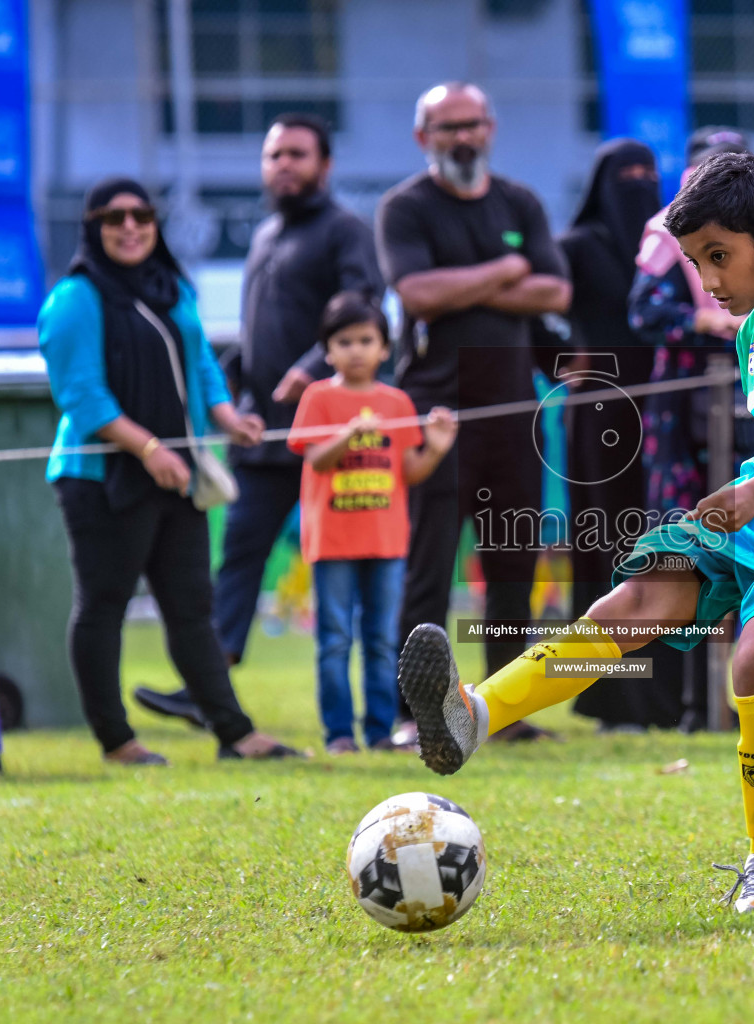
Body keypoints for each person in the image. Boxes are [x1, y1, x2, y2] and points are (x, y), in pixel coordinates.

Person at [397, 152, 754, 914]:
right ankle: (473, 716)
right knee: (632, 604)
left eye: (717, 258)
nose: (707, 281)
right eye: (696, 262)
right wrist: (750, 496)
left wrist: (750, 493)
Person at [38, 177, 303, 764]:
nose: (129, 227)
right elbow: (81, 395)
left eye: (141, 216)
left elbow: (202, 361)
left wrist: (229, 417)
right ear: (94, 228)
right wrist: (148, 448)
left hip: (175, 474)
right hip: (100, 477)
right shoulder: (74, 299)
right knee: (104, 603)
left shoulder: (172, 287)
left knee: (192, 608)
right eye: (114, 218)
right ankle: (117, 740)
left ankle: (235, 733)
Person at [135, 112, 383, 727]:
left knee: (370, 571)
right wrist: (233, 383)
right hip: (266, 436)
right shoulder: (269, 233)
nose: (284, 166)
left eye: (298, 154)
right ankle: (208, 687)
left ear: (325, 165)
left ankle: (394, 704)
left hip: (336, 433)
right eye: (274, 156)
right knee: (240, 556)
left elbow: (364, 307)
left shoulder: (344, 230)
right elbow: (260, 334)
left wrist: (309, 367)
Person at [376, 82, 571, 743]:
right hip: (437, 414)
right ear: (422, 137)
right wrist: (506, 269)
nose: (462, 137)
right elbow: (419, 293)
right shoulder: (404, 209)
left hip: (514, 410)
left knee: (513, 565)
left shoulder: (521, 201)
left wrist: (470, 282)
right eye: (446, 126)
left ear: (491, 127)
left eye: (471, 124)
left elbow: (556, 287)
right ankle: (415, 714)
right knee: (428, 569)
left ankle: (503, 709)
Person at [627, 125, 754, 727]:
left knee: (752, 545)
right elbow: (645, 310)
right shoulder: (665, 230)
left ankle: (746, 697)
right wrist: (710, 324)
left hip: (753, 392)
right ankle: (693, 702)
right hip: (683, 403)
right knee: (682, 550)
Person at [288, 293, 457, 754]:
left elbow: (410, 471)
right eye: (345, 341)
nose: (356, 350)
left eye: (367, 340)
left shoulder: (397, 401)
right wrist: (346, 436)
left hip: (386, 542)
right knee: (335, 641)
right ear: (328, 350)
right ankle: (340, 733)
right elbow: (315, 460)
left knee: (383, 641)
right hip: (333, 542)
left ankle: (381, 731)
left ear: (385, 348)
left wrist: (437, 447)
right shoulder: (318, 397)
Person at [552, 139, 683, 732]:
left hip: (663, 416)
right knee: (606, 553)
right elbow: (540, 307)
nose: (639, 184)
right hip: (600, 417)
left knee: (662, 555)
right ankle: (612, 703)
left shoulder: (669, 243)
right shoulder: (577, 247)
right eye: (626, 175)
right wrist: (559, 361)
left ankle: (667, 700)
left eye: (649, 175)